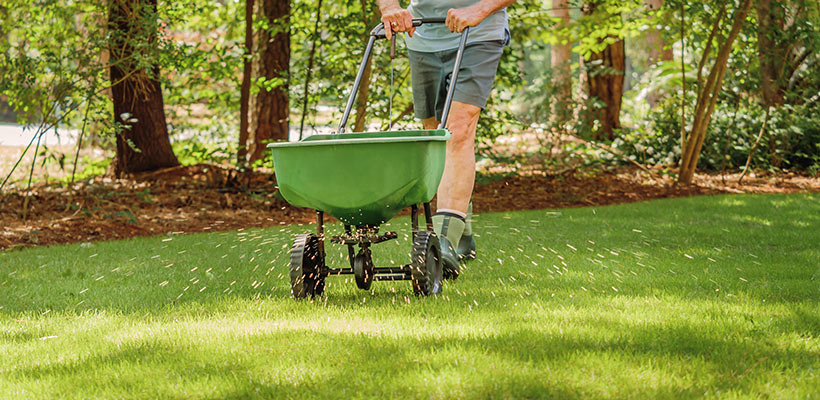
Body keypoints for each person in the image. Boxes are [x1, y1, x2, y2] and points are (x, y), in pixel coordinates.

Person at [377, 0, 514, 278]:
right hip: (422, 37)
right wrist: (389, 6)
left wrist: (480, 10)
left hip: (479, 33)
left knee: (457, 130)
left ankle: (444, 240)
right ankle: (461, 231)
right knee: (435, 137)